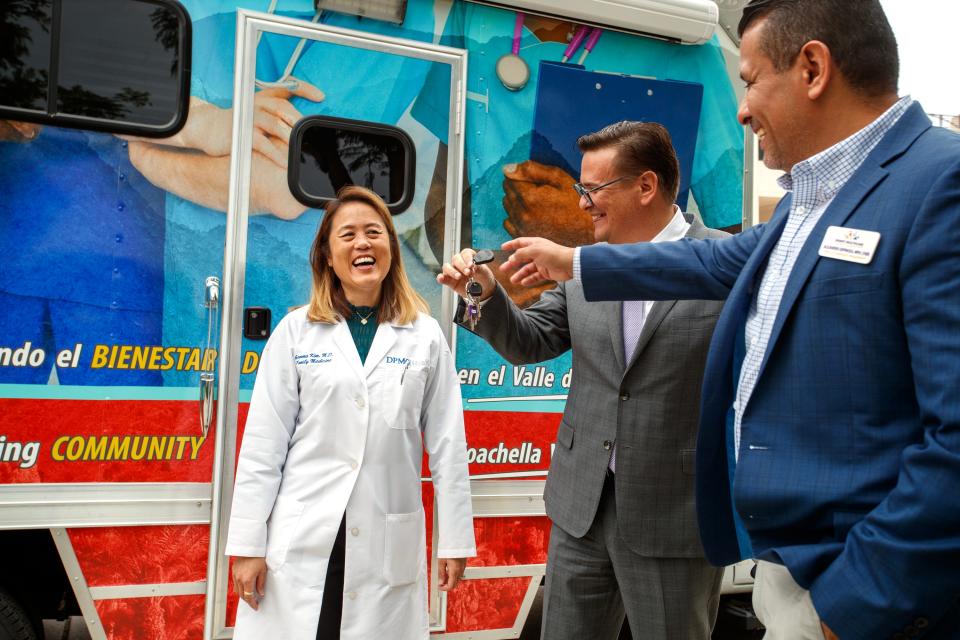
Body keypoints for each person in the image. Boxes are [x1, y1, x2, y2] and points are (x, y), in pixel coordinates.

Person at [499, 1, 960, 639]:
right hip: (788, 570)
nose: (741, 108)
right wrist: (575, 263)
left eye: (749, 79)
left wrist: (859, 599)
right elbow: (716, 262)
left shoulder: (939, 181)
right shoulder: (809, 198)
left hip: (857, 588)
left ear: (813, 68)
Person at [438, 121, 726, 639]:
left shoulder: (719, 263)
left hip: (674, 514)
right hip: (581, 509)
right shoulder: (585, 266)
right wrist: (483, 293)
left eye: (593, 190)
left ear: (646, 186)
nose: (583, 204)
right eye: (580, 189)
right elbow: (530, 340)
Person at [225, 186, 476, 640]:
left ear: (391, 250)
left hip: (385, 538)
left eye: (374, 232)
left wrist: (454, 540)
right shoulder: (296, 333)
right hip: (306, 538)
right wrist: (247, 546)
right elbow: (263, 447)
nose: (363, 243)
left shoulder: (424, 336)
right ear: (327, 255)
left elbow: (447, 446)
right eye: (348, 235)